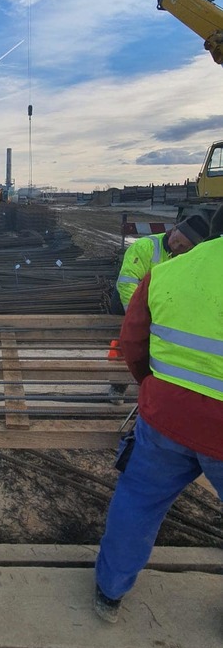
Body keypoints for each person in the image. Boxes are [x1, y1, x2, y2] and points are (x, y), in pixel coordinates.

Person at [94, 228, 223, 624]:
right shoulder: (154, 258)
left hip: (165, 416)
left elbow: (132, 344)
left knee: (137, 501)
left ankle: (110, 592)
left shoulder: (170, 272)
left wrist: (152, 388)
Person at [110, 213, 210, 315]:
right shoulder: (144, 247)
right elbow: (127, 283)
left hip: (159, 305)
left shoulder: (193, 257)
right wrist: (136, 315)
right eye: (176, 241)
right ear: (174, 229)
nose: (176, 247)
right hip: (129, 301)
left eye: (182, 247)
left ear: (193, 248)